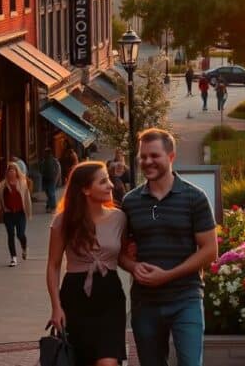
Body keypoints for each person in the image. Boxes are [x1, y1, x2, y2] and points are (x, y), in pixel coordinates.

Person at [120, 128, 218, 366]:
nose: (147, 162)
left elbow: (209, 250)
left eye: (154, 156)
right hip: (145, 304)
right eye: (143, 157)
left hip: (186, 298)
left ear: (171, 156)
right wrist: (133, 266)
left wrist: (168, 275)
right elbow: (120, 253)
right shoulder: (130, 202)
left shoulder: (195, 198)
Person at [47, 161, 127, 366]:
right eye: (103, 182)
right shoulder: (62, 221)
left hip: (110, 296)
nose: (111, 185)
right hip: (75, 297)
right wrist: (56, 308)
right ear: (85, 189)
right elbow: (53, 265)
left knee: (108, 362)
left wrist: (137, 267)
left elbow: (125, 256)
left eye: (108, 180)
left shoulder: (120, 218)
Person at [0, 161, 32, 267]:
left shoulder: (22, 183)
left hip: (20, 213)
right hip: (8, 214)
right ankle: (13, 257)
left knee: (20, 234)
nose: (11, 173)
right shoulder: (3, 185)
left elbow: (27, 198)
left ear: (16, 172)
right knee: (10, 235)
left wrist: (28, 212)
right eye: (9, 171)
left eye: (13, 171)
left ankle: (24, 248)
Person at [40, 148, 63, 213]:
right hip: (48, 179)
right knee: (49, 193)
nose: (44, 154)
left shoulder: (52, 161)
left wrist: (57, 179)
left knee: (51, 193)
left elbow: (58, 170)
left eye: (45, 153)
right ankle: (49, 206)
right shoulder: (46, 161)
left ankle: (53, 207)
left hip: (50, 179)